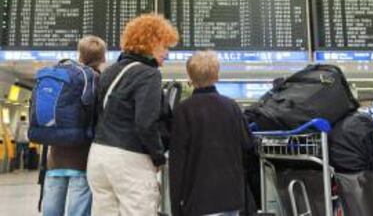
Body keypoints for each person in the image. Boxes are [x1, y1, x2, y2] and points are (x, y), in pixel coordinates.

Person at [87, 13, 179, 216]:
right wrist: (158, 157)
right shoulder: (148, 73)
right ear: (151, 43)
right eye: (165, 46)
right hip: (129, 160)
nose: (167, 53)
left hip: (98, 157)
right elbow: (145, 122)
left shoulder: (110, 71)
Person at [169, 50, 253, 216]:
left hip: (198, 199)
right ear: (217, 76)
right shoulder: (232, 106)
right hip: (231, 197)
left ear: (190, 79)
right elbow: (247, 143)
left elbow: (178, 161)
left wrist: (176, 206)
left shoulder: (183, 110)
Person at [42, 35, 107, 216]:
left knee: (51, 208)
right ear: (102, 58)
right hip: (83, 157)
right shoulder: (96, 79)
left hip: (55, 155)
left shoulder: (61, 75)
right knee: (78, 210)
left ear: (79, 54)